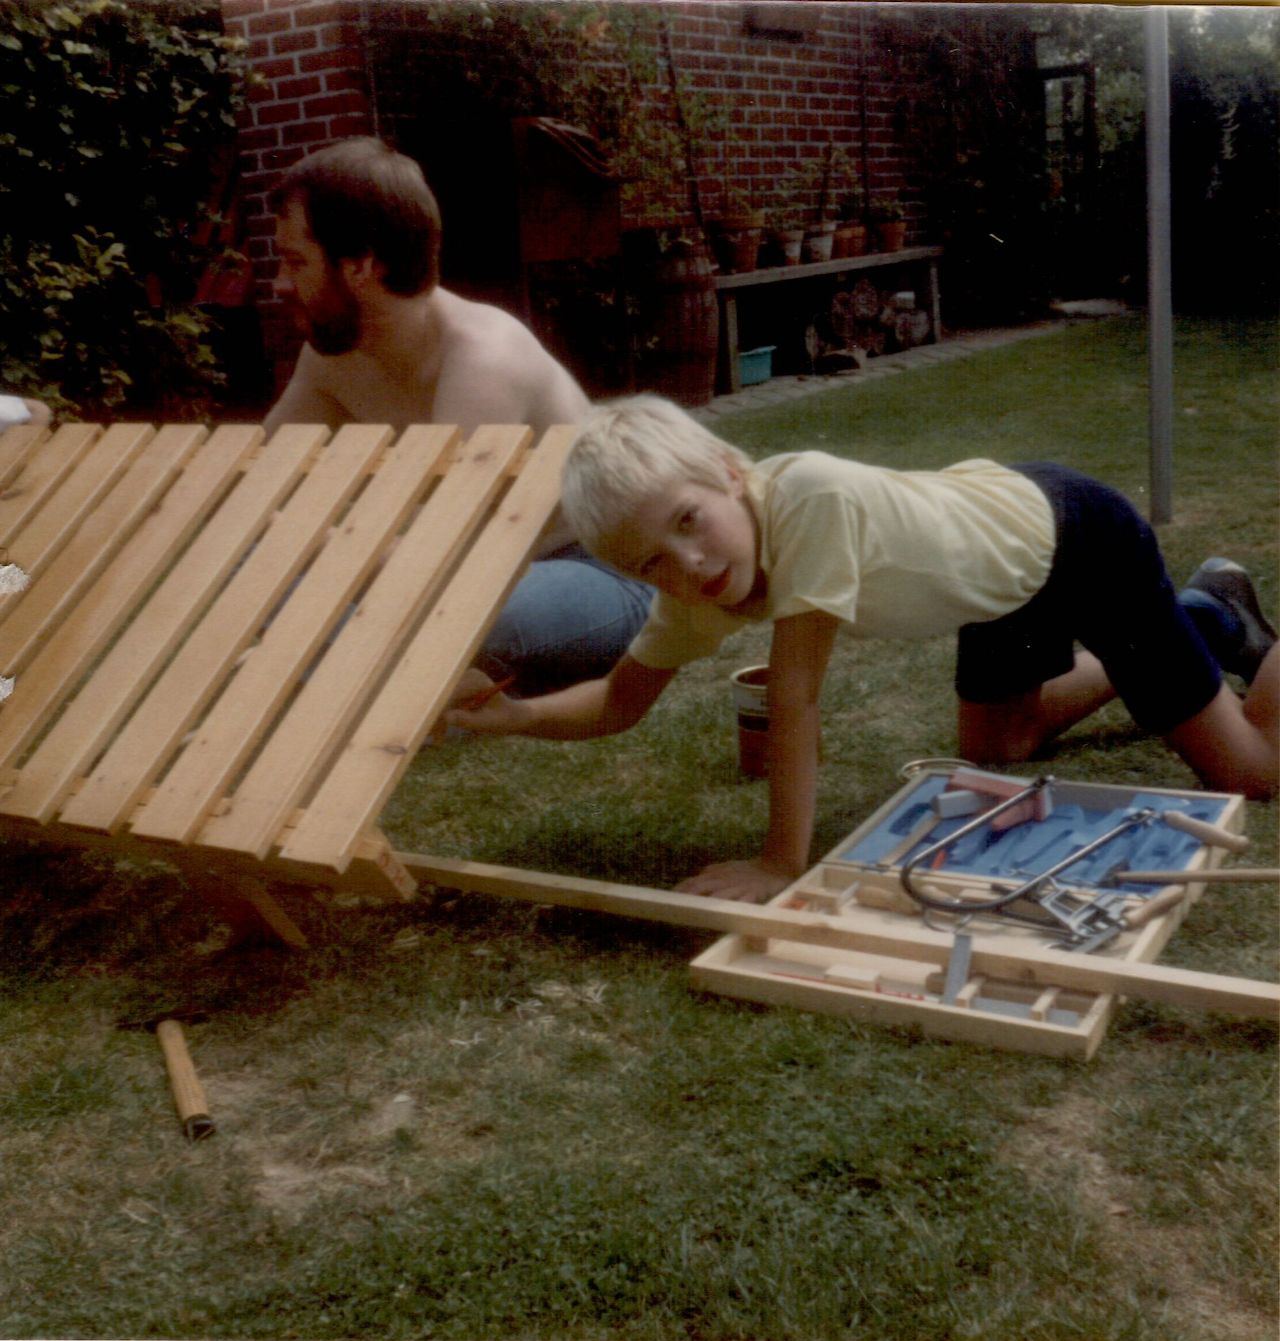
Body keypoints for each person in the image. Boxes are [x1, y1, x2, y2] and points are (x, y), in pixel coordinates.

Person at [447, 393, 1279, 903]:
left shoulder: (809, 498)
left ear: (731, 473)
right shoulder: (696, 586)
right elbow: (621, 701)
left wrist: (780, 861)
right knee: (1000, 746)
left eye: (689, 519)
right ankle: (1204, 620)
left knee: (1251, 771)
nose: (688, 565)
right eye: (650, 560)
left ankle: (1204, 637)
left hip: (1072, 536)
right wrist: (511, 716)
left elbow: (795, 694)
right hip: (991, 577)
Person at [264, 136, 650, 694]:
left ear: (360, 266)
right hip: (464, 576)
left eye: (295, 260)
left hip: (602, 569)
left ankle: (361, 675)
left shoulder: (482, 360)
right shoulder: (334, 354)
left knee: (444, 619)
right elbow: (257, 483)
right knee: (258, 570)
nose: (279, 283)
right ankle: (371, 672)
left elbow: (440, 557)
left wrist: (312, 550)